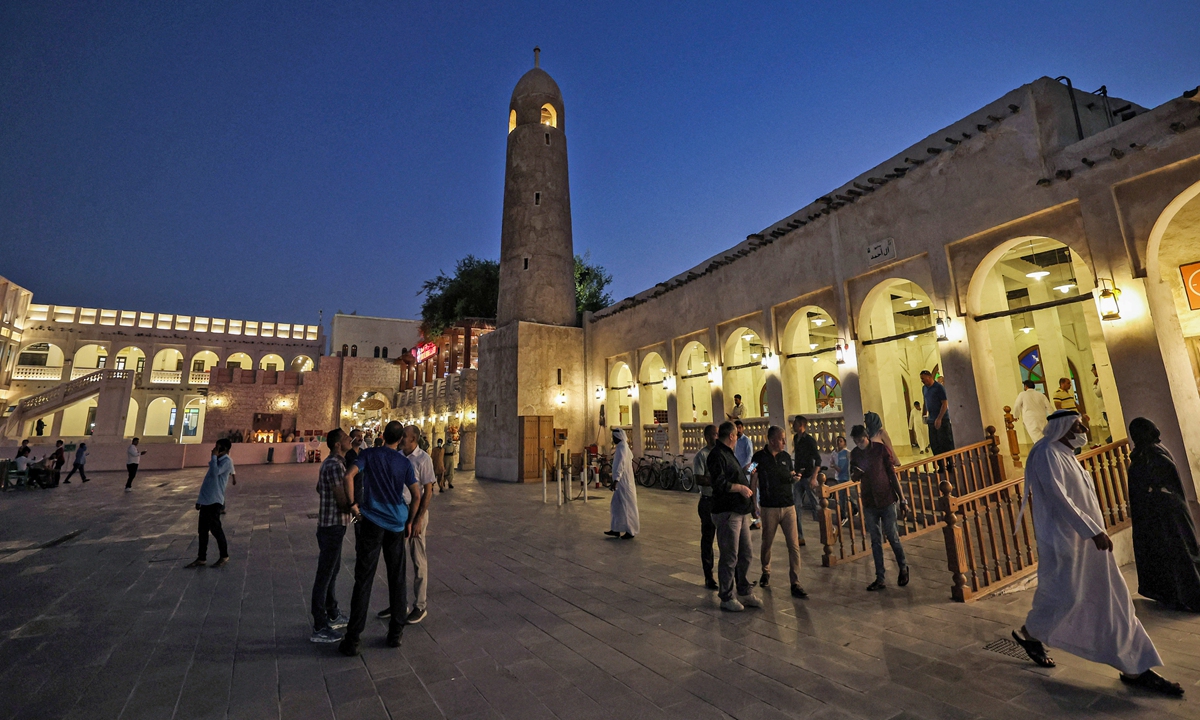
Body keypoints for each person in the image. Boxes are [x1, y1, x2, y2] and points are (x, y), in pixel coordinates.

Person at [1011, 410, 1183, 696]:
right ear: (1062, 428)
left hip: (1090, 543)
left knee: (1113, 598)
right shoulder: (1047, 454)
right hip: (1066, 543)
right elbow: (1059, 498)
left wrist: (1093, 532)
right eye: (1078, 426)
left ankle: (1135, 666)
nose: (1084, 430)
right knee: (1066, 596)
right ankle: (1031, 634)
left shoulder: (1066, 454)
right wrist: (1091, 530)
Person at [339, 421, 419, 656]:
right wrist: (410, 521)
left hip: (372, 521)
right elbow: (416, 494)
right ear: (401, 438)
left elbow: (348, 476)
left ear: (383, 435)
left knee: (363, 579)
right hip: (395, 524)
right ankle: (395, 633)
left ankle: (353, 639)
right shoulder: (404, 463)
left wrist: (353, 505)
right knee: (397, 577)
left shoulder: (370, 454)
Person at [1126, 417, 1200, 612]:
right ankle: (1171, 593)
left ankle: (1184, 595)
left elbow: (1159, 484)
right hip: (1163, 514)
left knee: (1177, 553)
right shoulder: (1149, 452)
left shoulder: (1153, 454)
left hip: (1165, 516)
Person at [377, 425, 437, 624]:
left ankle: (420, 605)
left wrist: (418, 519)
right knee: (396, 560)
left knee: (418, 559)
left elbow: (428, 491)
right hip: (398, 513)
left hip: (415, 511)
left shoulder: (423, 459)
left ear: (414, 440)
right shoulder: (398, 456)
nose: (401, 439)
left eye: (405, 436)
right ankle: (399, 603)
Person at [708, 422, 761, 612]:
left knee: (745, 553)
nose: (737, 438)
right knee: (730, 554)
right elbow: (720, 483)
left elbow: (737, 475)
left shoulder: (729, 454)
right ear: (731, 435)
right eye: (735, 436)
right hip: (727, 511)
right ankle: (726, 595)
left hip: (740, 510)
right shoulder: (717, 455)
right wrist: (739, 488)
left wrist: (748, 474)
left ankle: (744, 590)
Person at [849, 424, 909, 591]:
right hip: (869, 502)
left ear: (866, 437)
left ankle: (903, 568)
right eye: (856, 441)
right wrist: (857, 474)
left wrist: (903, 499)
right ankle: (880, 577)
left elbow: (891, 473)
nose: (859, 443)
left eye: (861, 440)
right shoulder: (855, 454)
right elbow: (853, 476)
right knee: (875, 540)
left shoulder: (880, 450)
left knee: (892, 535)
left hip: (886, 499)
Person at [753, 426, 808, 598]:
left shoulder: (785, 457)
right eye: (782, 439)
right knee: (767, 542)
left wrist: (794, 477)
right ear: (771, 440)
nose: (785, 442)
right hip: (769, 507)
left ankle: (795, 581)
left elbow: (789, 474)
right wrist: (753, 503)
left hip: (788, 506)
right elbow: (751, 475)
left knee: (793, 545)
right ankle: (766, 571)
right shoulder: (759, 457)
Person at [310, 428, 352, 643]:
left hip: (329, 524)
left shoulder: (331, 463)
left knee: (332, 570)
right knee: (325, 575)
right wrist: (358, 509)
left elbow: (320, 488)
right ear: (337, 444)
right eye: (346, 438)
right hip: (332, 525)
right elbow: (342, 500)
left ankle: (332, 613)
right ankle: (319, 625)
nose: (349, 439)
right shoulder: (335, 465)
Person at [185, 439, 233, 568]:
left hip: (215, 501)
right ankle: (201, 558)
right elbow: (207, 483)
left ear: (223, 449)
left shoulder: (226, 461)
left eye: (217, 447)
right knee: (203, 531)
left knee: (216, 530)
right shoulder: (216, 461)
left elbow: (214, 473)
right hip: (206, 500)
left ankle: (224, 555)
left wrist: (213, 456)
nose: (214, 449)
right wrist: (200, 500)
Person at [692, 424, 719, 589]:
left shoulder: (721, 453)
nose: (717, 437)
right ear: (708, 437)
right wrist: (716, 481)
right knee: (708, 538)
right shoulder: (701, 456)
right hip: (708, 500)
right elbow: (699, 478)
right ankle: (708, 575)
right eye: (715, 434)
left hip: (721, 499)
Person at [790, 416, 822, 541]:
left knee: (816, 505)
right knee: (796, 505)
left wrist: (814, 477)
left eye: (795, 423)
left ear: (801, 425)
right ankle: (799, 536)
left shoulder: (809, 440)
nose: (793, 426)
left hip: (808, 476)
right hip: (798, 476)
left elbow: (818, 460)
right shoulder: (796, 439)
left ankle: (829, 529)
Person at [605, 428, 639, 539]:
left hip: (623, 483)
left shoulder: (622, 448)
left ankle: (630, 531)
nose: (613, 439)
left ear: (618, 437)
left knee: (626, 506)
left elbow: (620, 465)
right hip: (621, 482)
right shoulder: (622, 447)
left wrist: (616, 480)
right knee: (616, 506)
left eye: (614, 437)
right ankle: (616, 529)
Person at [920, 371, 955, 456]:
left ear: (929, 377)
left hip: (942, 419)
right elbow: (925, 400)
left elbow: (944, 403)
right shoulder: (924, 388)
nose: (922, 381)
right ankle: (940, 466)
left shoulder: (939, 388)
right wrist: (924, 413)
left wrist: (939, 418)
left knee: (945, 443)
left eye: (923, 379)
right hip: (931, 420)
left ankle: (950, 465)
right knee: (934, 444)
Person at [733, 420, 758, 529]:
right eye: (736, 428)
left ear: (742, 428)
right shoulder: (734, 441)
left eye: (739, 428)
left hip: (746, 472)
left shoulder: (747, 441)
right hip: (737, 471)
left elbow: (750, 457)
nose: (738, 430)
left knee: (751, 497)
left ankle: (756, 520)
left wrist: (746, 469)